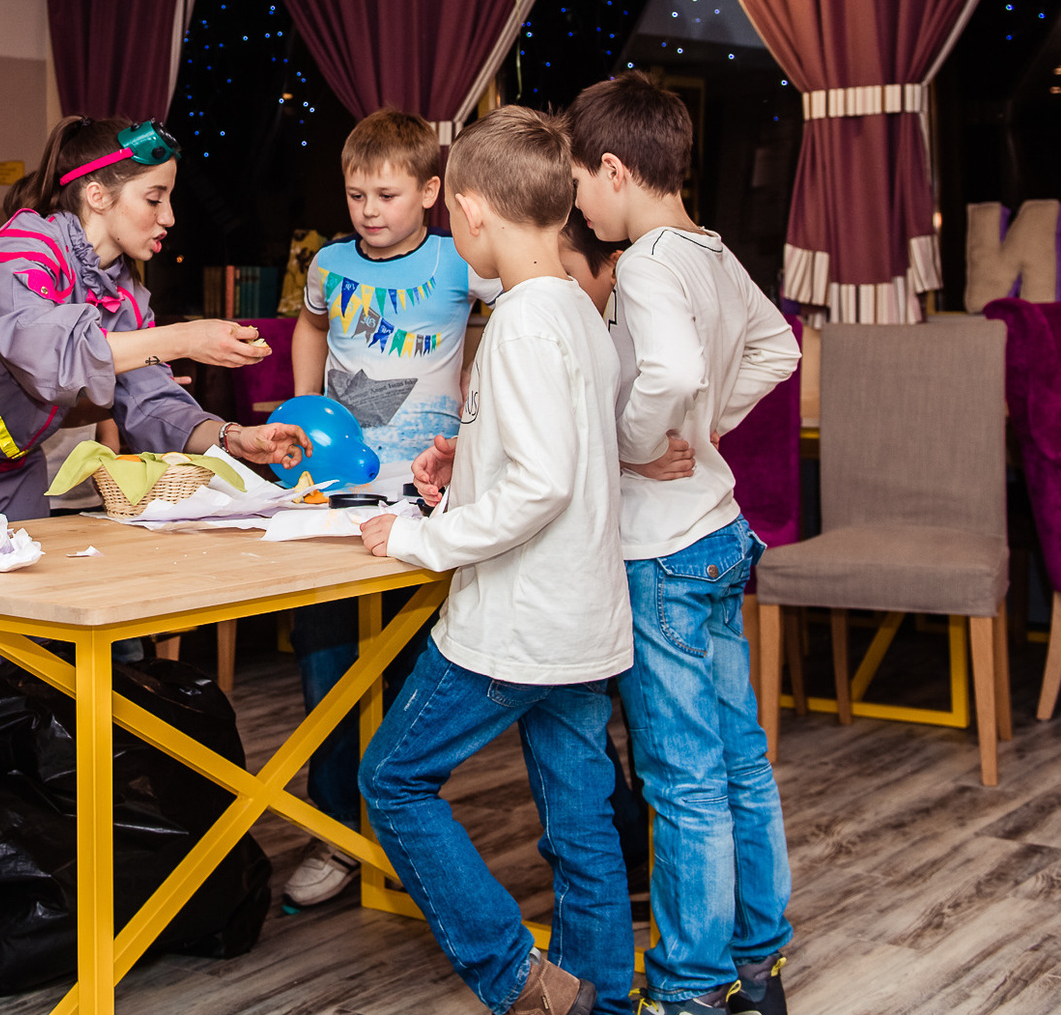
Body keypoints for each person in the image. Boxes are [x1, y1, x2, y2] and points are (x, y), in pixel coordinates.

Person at [355, 106, 634, 1015]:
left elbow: (544, 483)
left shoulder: (517, 323)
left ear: (469, 211)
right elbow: (558, 456)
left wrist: (417, 538)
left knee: (392, 779)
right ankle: (596, 998)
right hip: (585, 617)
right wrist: (464, 464)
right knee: (581, 825)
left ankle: (517, 978)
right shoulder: (578, 314)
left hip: (515, 622)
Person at [567, 72, 803, 1015]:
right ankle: (760, 967)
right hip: (719, 532)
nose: (578, 203)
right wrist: (703, 430)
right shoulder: (709, 249)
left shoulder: (653, 262)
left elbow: (666, 369)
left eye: (581, 181)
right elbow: (778, 346)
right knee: (739, 759)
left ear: (616, 170)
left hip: (662, 548)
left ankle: (693, 987)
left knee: (682, 779)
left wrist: (640, 444)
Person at [280, 108, 500, 908]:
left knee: (409, 673)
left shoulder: (460, 262)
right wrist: (300, 407)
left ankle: (401, 836)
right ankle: (335, 835)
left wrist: (481, 404)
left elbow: (515, 316)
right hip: (333, 495)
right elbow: (310, 326)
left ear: (431, 191)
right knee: (327, 668)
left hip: (425, 499)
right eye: (355, 194)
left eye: (386, 194)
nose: (369, 210)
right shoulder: (330, 263)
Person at [0, 115, 306, 517]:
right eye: (154, 199)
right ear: (97, 195)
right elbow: (49, 358)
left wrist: (233, 437)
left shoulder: (125, 295)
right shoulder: (20, 251)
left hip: (19, 471)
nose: (169, 217)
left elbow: (151, 401)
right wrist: (185, 339)